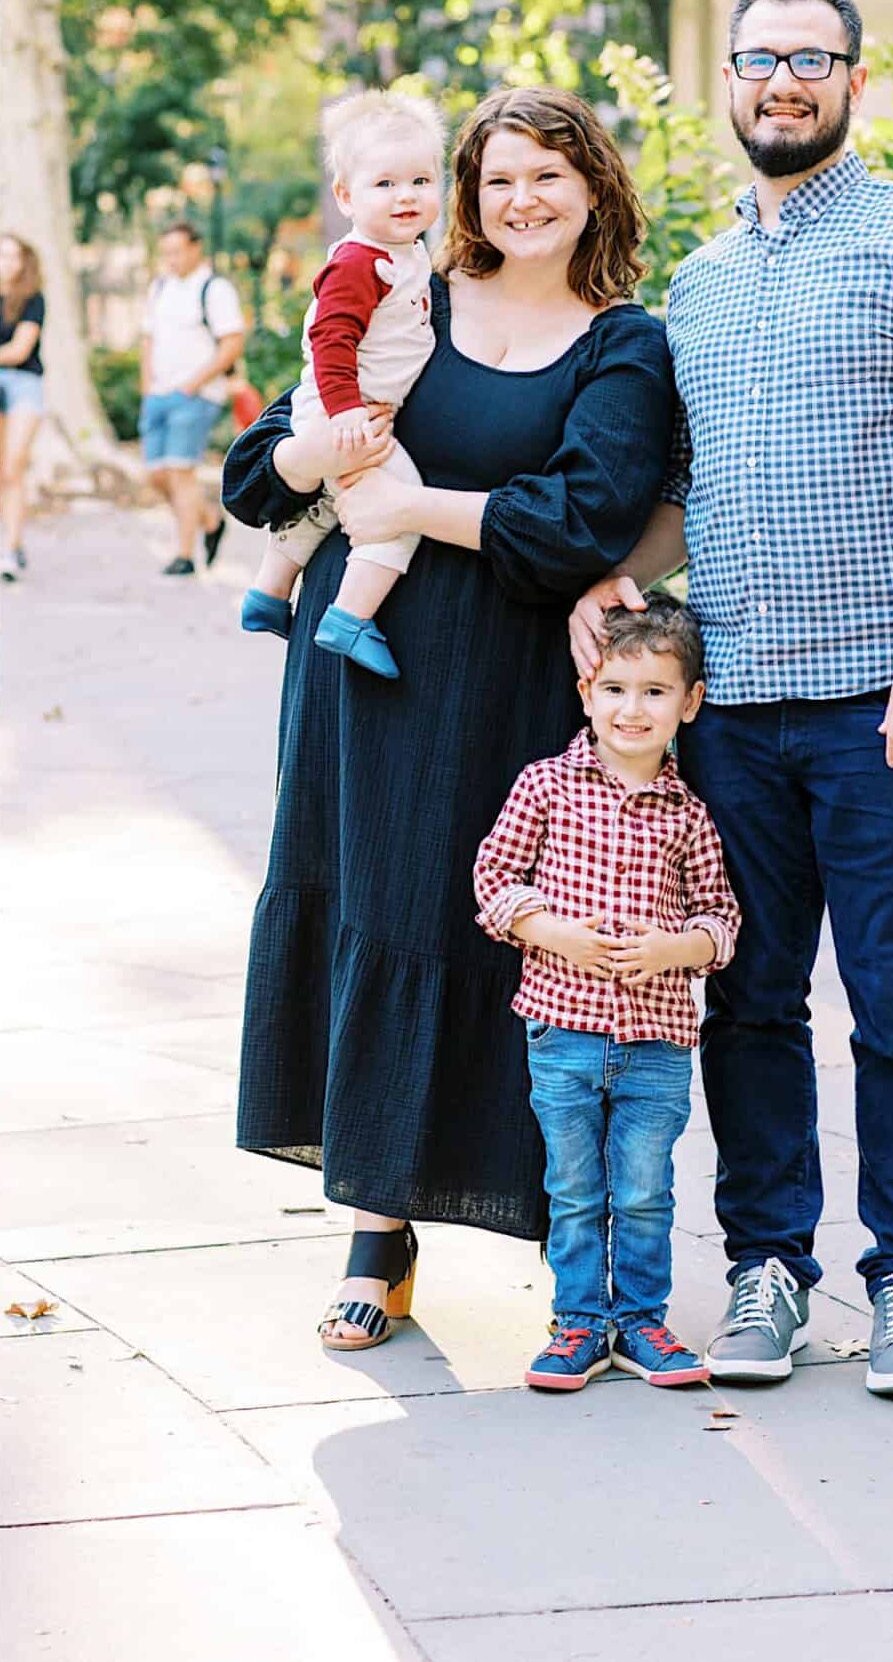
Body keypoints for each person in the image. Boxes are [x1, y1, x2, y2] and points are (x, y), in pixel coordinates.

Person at [570, 0, 893, 1399]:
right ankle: (766, 1265)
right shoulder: (694, 284)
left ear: (853, 80)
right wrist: (607, 574)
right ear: (725, 83)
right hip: (736, 710)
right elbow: (687, 493)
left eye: (810, 60)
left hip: (886, 703)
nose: (782, 81)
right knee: (750, 997)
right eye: (758, 58)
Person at [221, 87, 676, 1350]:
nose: (520, 199)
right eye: (497, 178)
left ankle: (557, 1233)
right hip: (363, 676)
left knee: (518, 933)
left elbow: (578, 523)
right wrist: (329, 455)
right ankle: (377, 1229)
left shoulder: (622, 345)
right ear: (463, 194)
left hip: (515, 685)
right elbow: (261, 475)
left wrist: (414, 509)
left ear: (596, 189)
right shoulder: (397, 296)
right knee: (373, 903)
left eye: (550, 175)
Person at [474, 593, 740, 1392]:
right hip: (563, 1029)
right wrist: (551, 931)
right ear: (586, 692)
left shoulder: (688, 813)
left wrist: (673, 947)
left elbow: (720, 919)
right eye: (615, 688)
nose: (633, 708)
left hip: (657, 1039)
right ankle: (579, 1321)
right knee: (576, 1187)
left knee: (645, 1187)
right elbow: (493, 881)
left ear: (687, 704)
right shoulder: (545, 786)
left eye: (655, 691)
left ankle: (639, 1321)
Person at [241, 91, 442, 679]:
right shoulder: (361, 262)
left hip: (352, 413)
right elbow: (331, 340)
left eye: (420, 180)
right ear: (346, 196)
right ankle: (349, 617)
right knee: (395, 508)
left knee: (327, 505)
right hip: (344, 415)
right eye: (384, 185)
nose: (405, 195)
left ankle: (268, 593)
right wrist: (345, 412)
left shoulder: (407, 253)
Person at [140, 221, 245, 575]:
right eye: (166, 252)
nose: (171, 259)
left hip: (196, 395)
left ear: (195, 248)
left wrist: (193, 383)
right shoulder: (160, 288)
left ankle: (185, 554)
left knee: (180, 472)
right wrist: (147, 385)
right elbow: (148, 337)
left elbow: (232, 344)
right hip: (157, 394)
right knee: (157, 476)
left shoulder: (214, 289)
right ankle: (209, 519)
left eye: (177, 251)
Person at [0, 234, 46, 583]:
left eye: (13, 256)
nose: (7, 263)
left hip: (22, 383)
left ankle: (12, 547)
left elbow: (19, 350)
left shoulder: (32, 299)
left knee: (13, 467)